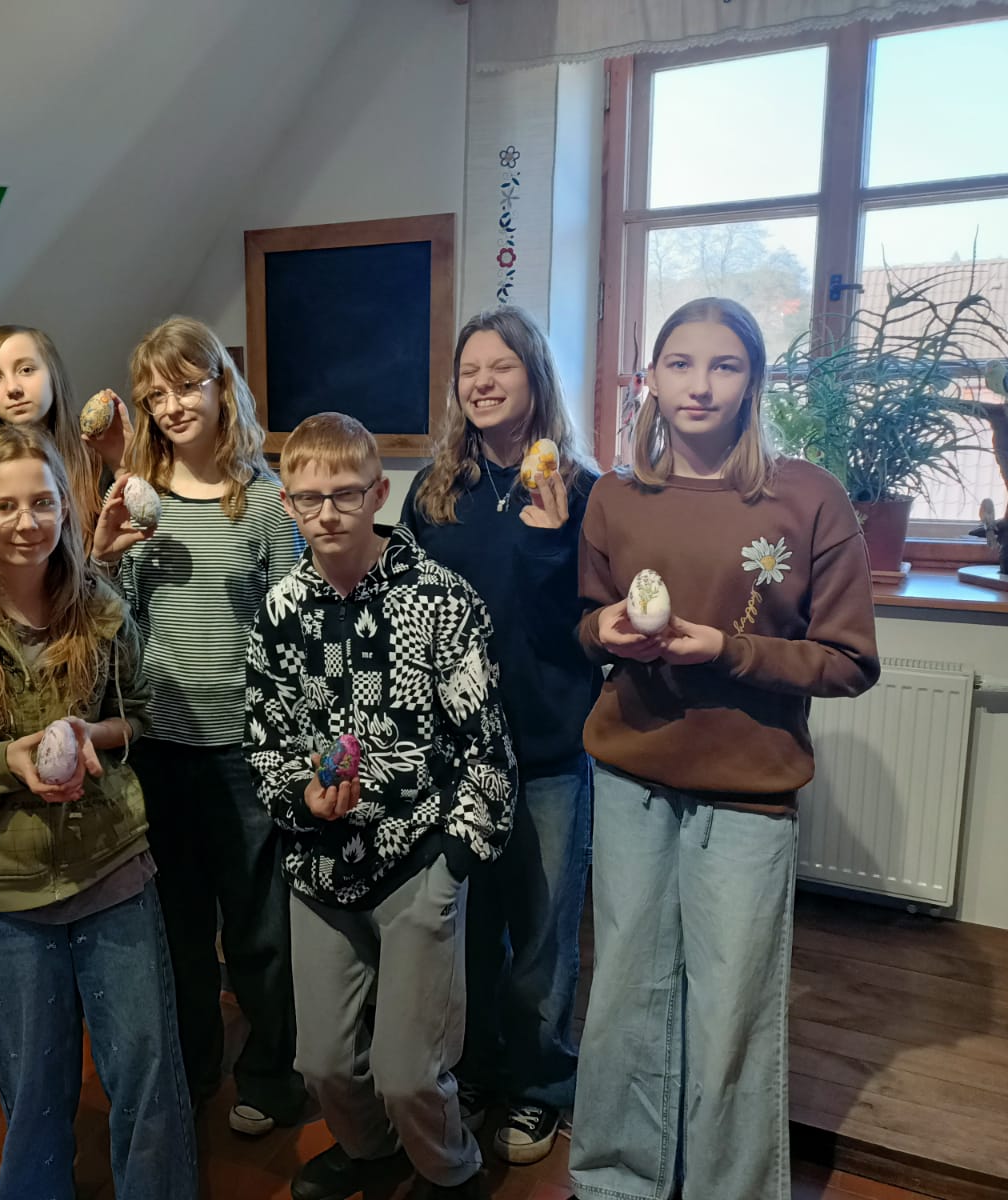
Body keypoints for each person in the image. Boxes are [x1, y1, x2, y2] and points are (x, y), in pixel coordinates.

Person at [568, 297, 880, 1200]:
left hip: (749, 789)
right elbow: (585, 622)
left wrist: (728, 651)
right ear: (651, 380)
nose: (699, 385)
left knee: (732, 1005)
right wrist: (604, 632)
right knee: (624, 991)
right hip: (630, 776)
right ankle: (615, 1180)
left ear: (754, 382)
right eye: (680, 364)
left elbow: (850, 661)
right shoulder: (616, 496)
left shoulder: (807, 497)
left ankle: (728, 1189)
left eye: (724, 365)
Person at [0, 424, 196, 1200]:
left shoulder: (99, 607)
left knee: (148, 1075)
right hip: (4, 891)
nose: (27, 522)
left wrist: (93, 735)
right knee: (34, 1091)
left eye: (44, 502)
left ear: (65, 505)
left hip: (112, 868)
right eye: (3, 506)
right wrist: (4, 763)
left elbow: (142, 713)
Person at [245, 412, 516, 1200]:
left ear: (377, 495)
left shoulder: (439, 600)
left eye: (345, 495)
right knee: (322, 1062)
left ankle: (449, 1169)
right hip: (318, 866)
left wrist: (454, 856)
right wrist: (301, 798)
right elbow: (263, 740)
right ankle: (370, 1151)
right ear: (288, 504)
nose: (327, 513)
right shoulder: (278, 613)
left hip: (418, 859)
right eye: (308, 498)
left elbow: (487, 748)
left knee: (408, 1072)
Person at [92, 315, 306, 1136]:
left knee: (259, 929)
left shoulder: (264, 502)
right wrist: (105, 558)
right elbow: (112, 628)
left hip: (247, 750)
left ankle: (272, 1075)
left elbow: (291, 628)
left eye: (186, 385)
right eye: (156, 394)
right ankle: (192, 1066)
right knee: (180, 929)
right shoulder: (134, 500)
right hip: (161, 747)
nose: (173, 405)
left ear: (222, 385)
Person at [400, 305, 598, 1163]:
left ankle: (541, 1084)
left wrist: (553, 546)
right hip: (457, 753)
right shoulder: (435, 490)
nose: (482, 383)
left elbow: (587, 629)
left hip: (549, 746)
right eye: (469, 370)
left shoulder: (580, 491)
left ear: (534, 376)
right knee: (470, 929)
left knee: (543, 933)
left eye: (501, 367)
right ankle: (476, 1065)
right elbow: (409, 614)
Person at [0, 324, 127, 582]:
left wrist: (124, 467)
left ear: (53, 374)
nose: (13, 388)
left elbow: (137, 572)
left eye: (26, 370)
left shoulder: (98, 460)